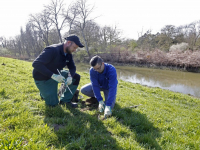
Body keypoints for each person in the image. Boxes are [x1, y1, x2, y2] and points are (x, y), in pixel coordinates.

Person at [32, 35, 84, 107]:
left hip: (57, 74)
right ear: (68, 43)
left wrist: (70, 77)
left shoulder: (68, 53)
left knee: (76, 77)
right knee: (53, 105)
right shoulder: (52, 50)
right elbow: (36, 64)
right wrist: (53, 76)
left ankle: (65, 100)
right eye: (74, 47)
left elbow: (72, 67)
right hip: (43, 78)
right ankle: (44, 93)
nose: (75, 50)